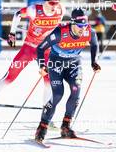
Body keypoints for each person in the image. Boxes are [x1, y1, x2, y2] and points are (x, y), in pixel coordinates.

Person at [34, 8, 101, 142]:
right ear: (72, 23)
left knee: (76, 90)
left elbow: (95, 44)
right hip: (56, 64)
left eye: (85, 25)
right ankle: (42, 127)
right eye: (80, 25)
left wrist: (94, 61)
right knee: (58, 94)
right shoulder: (60, 33)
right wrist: (41, 66)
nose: (83, 28)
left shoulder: (89, 32)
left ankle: (66, 126)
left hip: (73, 64)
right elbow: (40, 48)